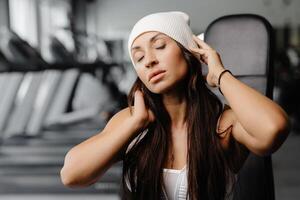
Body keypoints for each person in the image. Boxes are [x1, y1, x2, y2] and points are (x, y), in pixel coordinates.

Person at [60, 11, 290, 200]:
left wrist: (219, 74)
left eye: (160, 46)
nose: (149, 60)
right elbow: (71, 175)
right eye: (139, 58)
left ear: (189, 52)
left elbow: (274, 129)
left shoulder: (223, 124)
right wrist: (135, 124)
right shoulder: (130, 121)